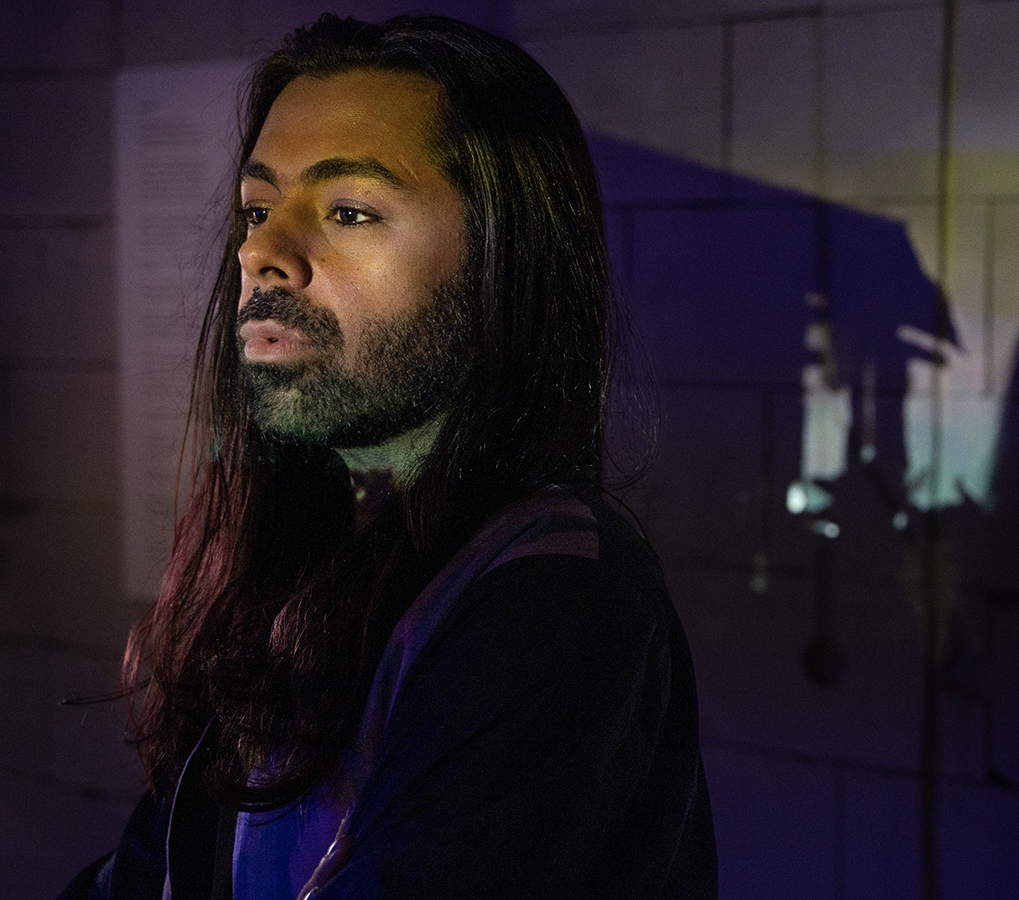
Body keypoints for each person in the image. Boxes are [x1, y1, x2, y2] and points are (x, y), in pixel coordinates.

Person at [61, 14, 715, 899]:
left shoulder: (556, 597)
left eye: (349, 211)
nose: (261, 252)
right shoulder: (305, 562)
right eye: (257, 209)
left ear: (500, 263)